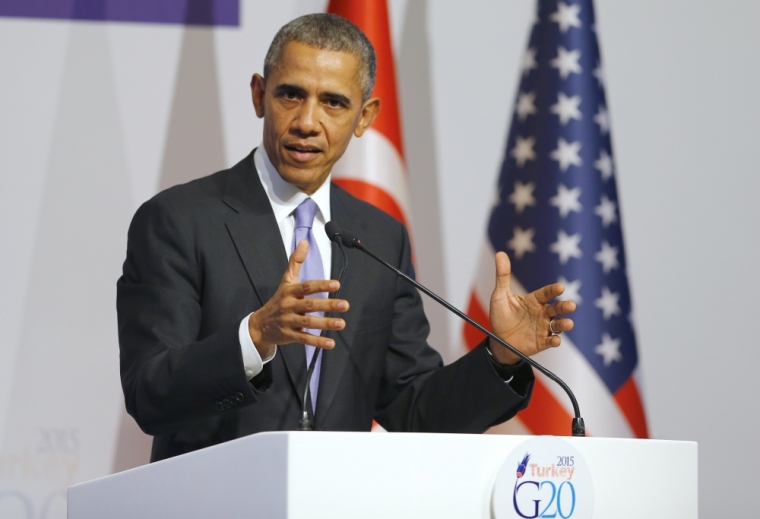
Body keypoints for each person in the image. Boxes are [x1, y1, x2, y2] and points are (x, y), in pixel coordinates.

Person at [117, 13, 576, 462]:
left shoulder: (378, 236)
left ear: (365, 115)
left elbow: (414, 411)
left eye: (333, 102)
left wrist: (500, 356)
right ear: (259, 95)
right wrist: (254, 337)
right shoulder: (178, 221)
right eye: (290, 95)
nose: (307, 122)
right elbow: (150, 393)